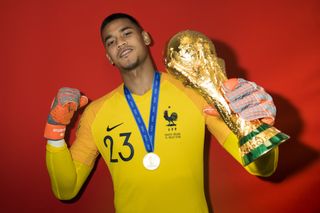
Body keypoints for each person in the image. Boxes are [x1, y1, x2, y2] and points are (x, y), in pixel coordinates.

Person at [44, 13, 279, 213]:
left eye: (127, 33)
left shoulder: (195, 94)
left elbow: (261, 167)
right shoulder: (96, 113)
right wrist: (55, 129)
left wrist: (256, 125)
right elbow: (67, 189)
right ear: (109, 57)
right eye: (111, 41)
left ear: (145, 37)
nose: (120, 43)